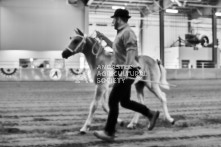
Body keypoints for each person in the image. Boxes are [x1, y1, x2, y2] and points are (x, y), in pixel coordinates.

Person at [94, 9, 160, 141]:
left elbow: (131, 52)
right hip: (122, 70)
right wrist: (103, 38)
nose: (112, 21)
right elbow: (117, 48)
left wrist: (125, 69)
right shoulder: (121, 33)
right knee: (125, 102)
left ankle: (109, 132)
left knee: (113, 100)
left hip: (128, 70)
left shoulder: (128, 32)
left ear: (118, 19)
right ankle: (150, 114)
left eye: (113, 19)